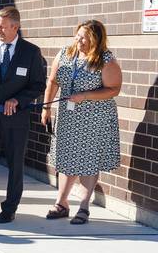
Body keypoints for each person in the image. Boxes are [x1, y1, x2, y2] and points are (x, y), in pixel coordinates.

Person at [41, 20, 121, 225]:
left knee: (88, 160)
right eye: (78, 35)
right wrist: (46, 107)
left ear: (96, 39)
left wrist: (85, 95)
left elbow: (113, 89)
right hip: (68, 118)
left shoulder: (105, 59)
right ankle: (61, 203)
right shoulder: (65, 53)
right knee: (66, 158)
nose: (79, 40)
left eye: (84, 37)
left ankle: (84, 206)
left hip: (95, 118)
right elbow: (52, 81)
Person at [0, 6, 46, 223]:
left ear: (16, 27)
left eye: (2, 27)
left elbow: (38, 85)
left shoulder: (31, 52)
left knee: (15, 164)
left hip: (17, 120)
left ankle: (10, 207)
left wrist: (18, 99)